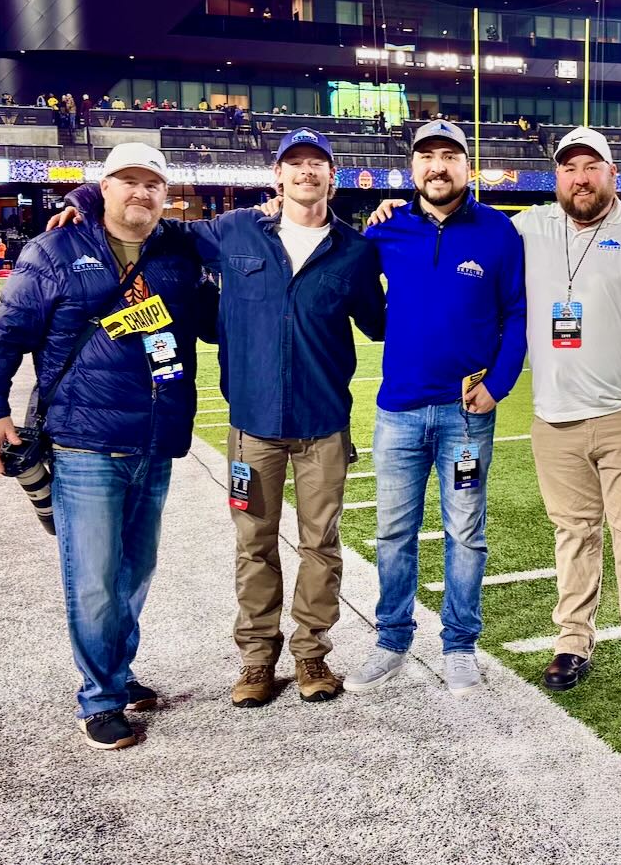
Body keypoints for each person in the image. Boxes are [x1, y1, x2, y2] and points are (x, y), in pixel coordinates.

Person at [59, 127, 386, 709]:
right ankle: (257, 659)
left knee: (321, 546)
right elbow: (155, 223)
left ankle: (311, 654)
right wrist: (84, 201)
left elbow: (380, 324)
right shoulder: (235, 230)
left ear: (332, 178)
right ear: (277, 176)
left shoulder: (355, 251)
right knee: (254, 545)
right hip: (252, 428)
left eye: (317, 163)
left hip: (324, 427)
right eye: (294, 163)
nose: (306, 171)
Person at [0, 143, 214, 750]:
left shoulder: (177, 253)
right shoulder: (55, 249)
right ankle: (99, 698)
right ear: (103, 188)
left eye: (152, 183)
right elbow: (3, 335)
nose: (140, 192)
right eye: (126, 181)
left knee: (135, 570)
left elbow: (212, 317)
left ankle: (117, 672)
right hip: (84, 442)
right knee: (94, 578)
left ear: (166, 195)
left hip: (154, 440)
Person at [346, 120, 526, 697]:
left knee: (465, 533)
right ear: (412, 167)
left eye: (450, 155)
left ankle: (460, 645)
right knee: (393, 532)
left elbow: (517, 314)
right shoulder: (387, 228)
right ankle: (391, 641)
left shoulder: (498, 231)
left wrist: (498, 385)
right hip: (399, 409)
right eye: (427, 156)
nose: (438, 166)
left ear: (467, 166)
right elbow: (356, 293)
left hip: (466, 413)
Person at [514, 127, 621, 696]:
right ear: (556, 176)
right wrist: (397, 208)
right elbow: (465, 228)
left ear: (613, 173)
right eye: (569, 168)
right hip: (554, 415)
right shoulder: (529, 227)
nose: (580, 179)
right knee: (573, 534)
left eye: (591, 167)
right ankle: (573, 641)